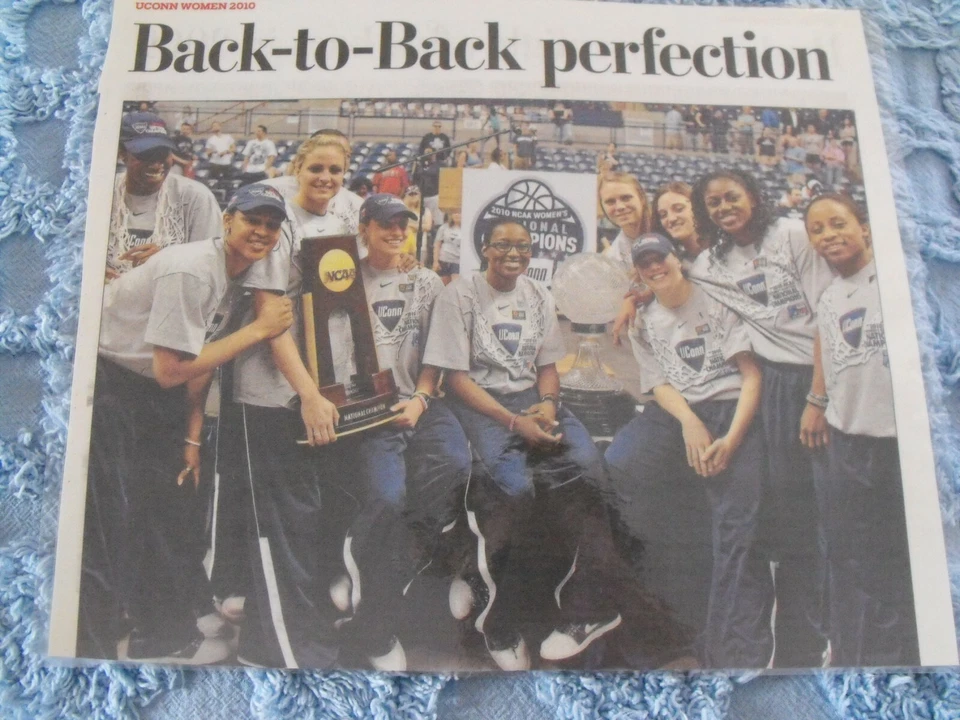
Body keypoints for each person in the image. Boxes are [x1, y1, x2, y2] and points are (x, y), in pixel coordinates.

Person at [77, 183, 293, 663]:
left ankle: (161, 632)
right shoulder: (194, 269)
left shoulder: (246, 271)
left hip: (158, 390)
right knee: (115, 519)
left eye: (271, 223)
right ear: (227, 219)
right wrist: (258, 329)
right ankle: (109, 645)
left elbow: (198, 362)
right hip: (109, 379)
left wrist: (191, 437)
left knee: (173, 506)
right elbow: (172, 368)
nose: (261, 231)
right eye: (251, 219)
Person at [423, 219, 645, 670]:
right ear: (484, 248)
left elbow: (548, 367)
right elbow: (456, 380)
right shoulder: (459, 295)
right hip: (482, 404)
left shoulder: (539, 295)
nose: (513, 253)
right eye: (503, 244)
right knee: (514, 488)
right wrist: (511, 421)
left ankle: (587, 606)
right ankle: (488, 601)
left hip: (532, 401)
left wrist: (546, 404)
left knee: (590, 472)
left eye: (522, 246)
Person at [604, 233, 773, 668]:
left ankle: (740, 656)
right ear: (637, 272)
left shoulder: (715, 299)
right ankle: (667, 635)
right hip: (687, 414)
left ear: (677, 259)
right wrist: (690, 423)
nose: (654, 267)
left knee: (736, 540)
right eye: (645, 264)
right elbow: (659, 384)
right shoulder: (642, 319)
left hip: (734, 415)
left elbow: (751, 376)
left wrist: (731, 441)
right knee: (620, 470)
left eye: (660, 258)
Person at [690, 168, 835, 667]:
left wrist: (817, 398)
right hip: (764, 385)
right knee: (772, 518)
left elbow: (828, 313)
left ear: (754, 195)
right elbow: (683, 292)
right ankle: (763, 643)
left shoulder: (791, 234)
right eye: (714, 202)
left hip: (812, 379)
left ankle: (807, 644)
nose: (725, 207)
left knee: (808, 518)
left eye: (732, 197)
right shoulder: (711, 263)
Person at [334, 194, 472, 671]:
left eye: (403, 225)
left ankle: (411, 557)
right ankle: (361, 572)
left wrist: (419, 400)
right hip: (367, 411)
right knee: (388, 500)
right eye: (386, 224)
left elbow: (436, 354)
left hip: (420, 402)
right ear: (364, 226)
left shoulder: (426, 279)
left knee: (456, 465)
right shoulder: (340, 275)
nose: (396, 232)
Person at [803, 194, 918, 666]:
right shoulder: (830, 294)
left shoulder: (896, 278)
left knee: (896, 559)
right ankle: (852, 651)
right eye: (818, 229)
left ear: (865, 227)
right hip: (847, 443)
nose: (829, 235)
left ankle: (899, 655)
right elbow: (824, 340)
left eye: (838, 223)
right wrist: (817, 398)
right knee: (851, 554)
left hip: (896, 441)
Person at [108, 112, 222, 279]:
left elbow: (213, 263)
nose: (156, 165)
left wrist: (169, 259)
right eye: (145, 154)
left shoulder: (196, 196)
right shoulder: (105, 193)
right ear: (122, 154)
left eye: (163, 154)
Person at [417, 121, 452, 224]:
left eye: (439, 126)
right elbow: (421, 149)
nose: (437, 128)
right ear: (432, 127)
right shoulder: (427, 137)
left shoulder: (444, 137)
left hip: (440, 162)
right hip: (427, 163)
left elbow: (448, 150)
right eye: (435, 126)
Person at [400, 184, 431, 260]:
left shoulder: (425, 211)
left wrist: (410, 225)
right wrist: (419, 226)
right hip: (404, 245)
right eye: (410, 194)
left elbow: (428, 227)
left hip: (420, 245)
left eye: (415, 194)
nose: (413, 196)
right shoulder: (402, 210)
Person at [432, 208, 462, 285]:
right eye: (454, 213)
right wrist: (435, 261)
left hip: (457, 262)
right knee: (443, 285)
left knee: (455, 286)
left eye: (459, 213)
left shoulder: (466, 229)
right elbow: (437, 245)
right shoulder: (443, 228)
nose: (457, 215)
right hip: (444, 260)